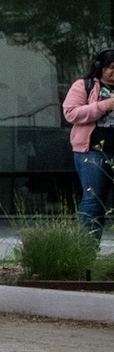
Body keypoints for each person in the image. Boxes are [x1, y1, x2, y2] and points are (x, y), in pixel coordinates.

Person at [67, 50, 112, 233]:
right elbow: (71, 113)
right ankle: (87, 249)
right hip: (92, 151)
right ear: (100, 68)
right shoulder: (83, 86)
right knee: (94, 199)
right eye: (111, 68)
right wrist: (103, 106)